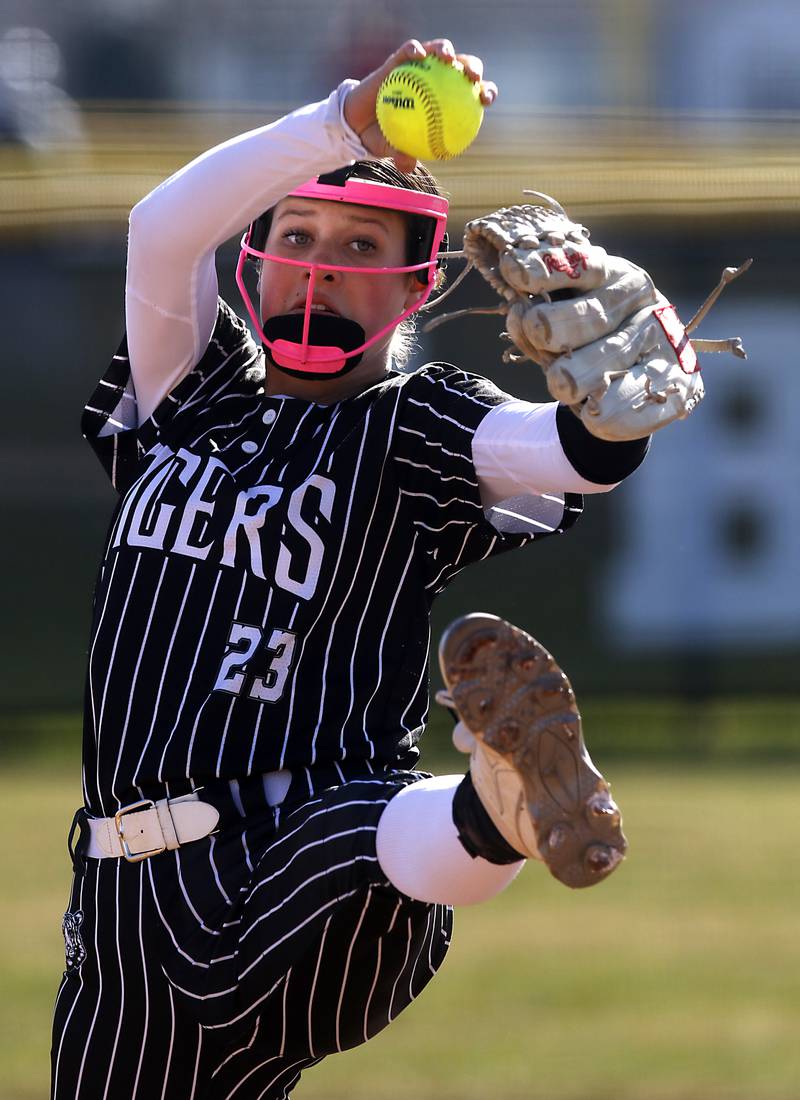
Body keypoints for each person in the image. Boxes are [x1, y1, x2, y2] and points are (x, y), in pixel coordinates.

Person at [51, 38, 646, 1100]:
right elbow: (159, 227)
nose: (320, 260)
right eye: (297, 232)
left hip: (304, 853)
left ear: (414, 282)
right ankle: (488, 805)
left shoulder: (412, 420)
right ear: (257, 253)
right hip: (120, 907)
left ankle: (497, 804)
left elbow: (562, 453)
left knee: (359, 833)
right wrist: (342, 121)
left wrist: (615, 417)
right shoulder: (190, 388)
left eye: (360, 240)